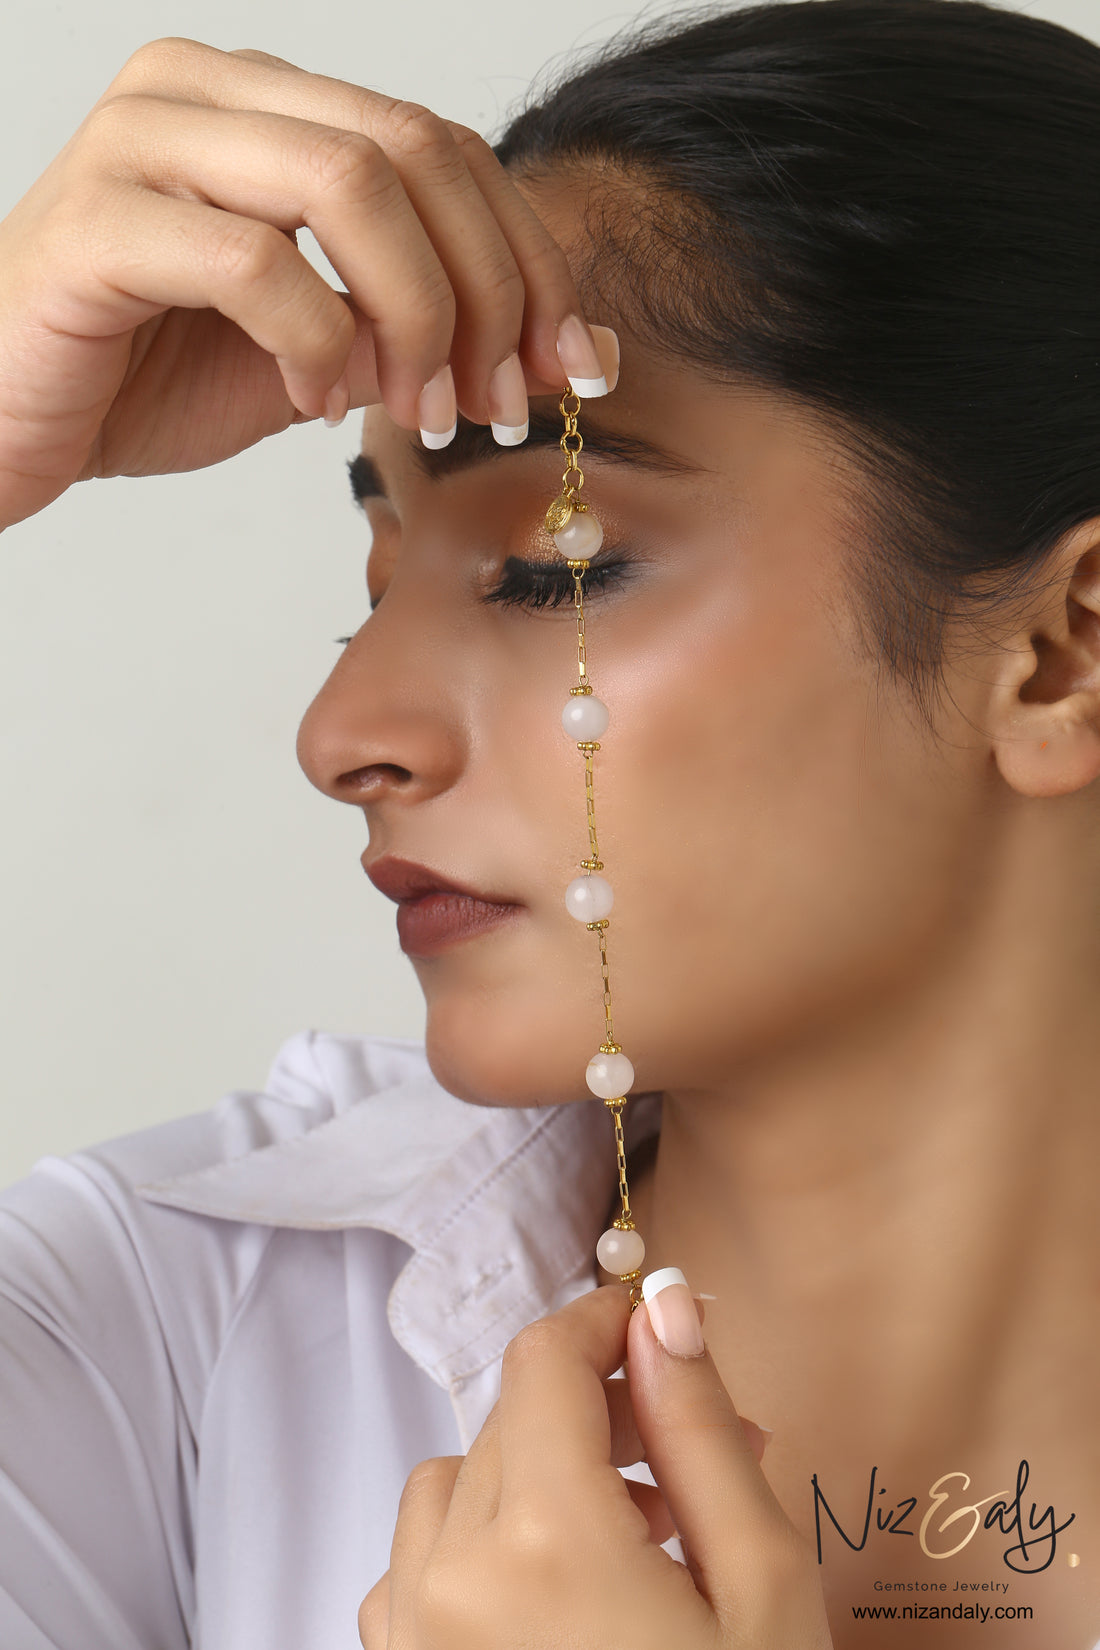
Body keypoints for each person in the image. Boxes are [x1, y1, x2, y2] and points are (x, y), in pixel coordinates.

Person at [0, 0, 1097, 1645]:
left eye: (548, 569)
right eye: (376, 583)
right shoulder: (157, 1338)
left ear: (1062, 650)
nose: (341, 735)